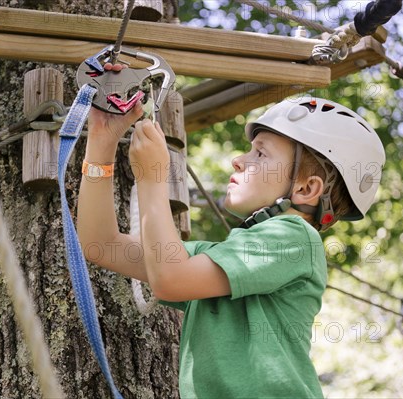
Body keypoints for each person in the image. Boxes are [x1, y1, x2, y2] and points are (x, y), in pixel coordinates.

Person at [77, 68, 386, 398]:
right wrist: (102, 140)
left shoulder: (295, 239)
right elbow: (101, 244)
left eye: (261, 153)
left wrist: (153, 176)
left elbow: (170, 277)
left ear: (307, 188)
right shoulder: (221, 260)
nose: (239, 160)